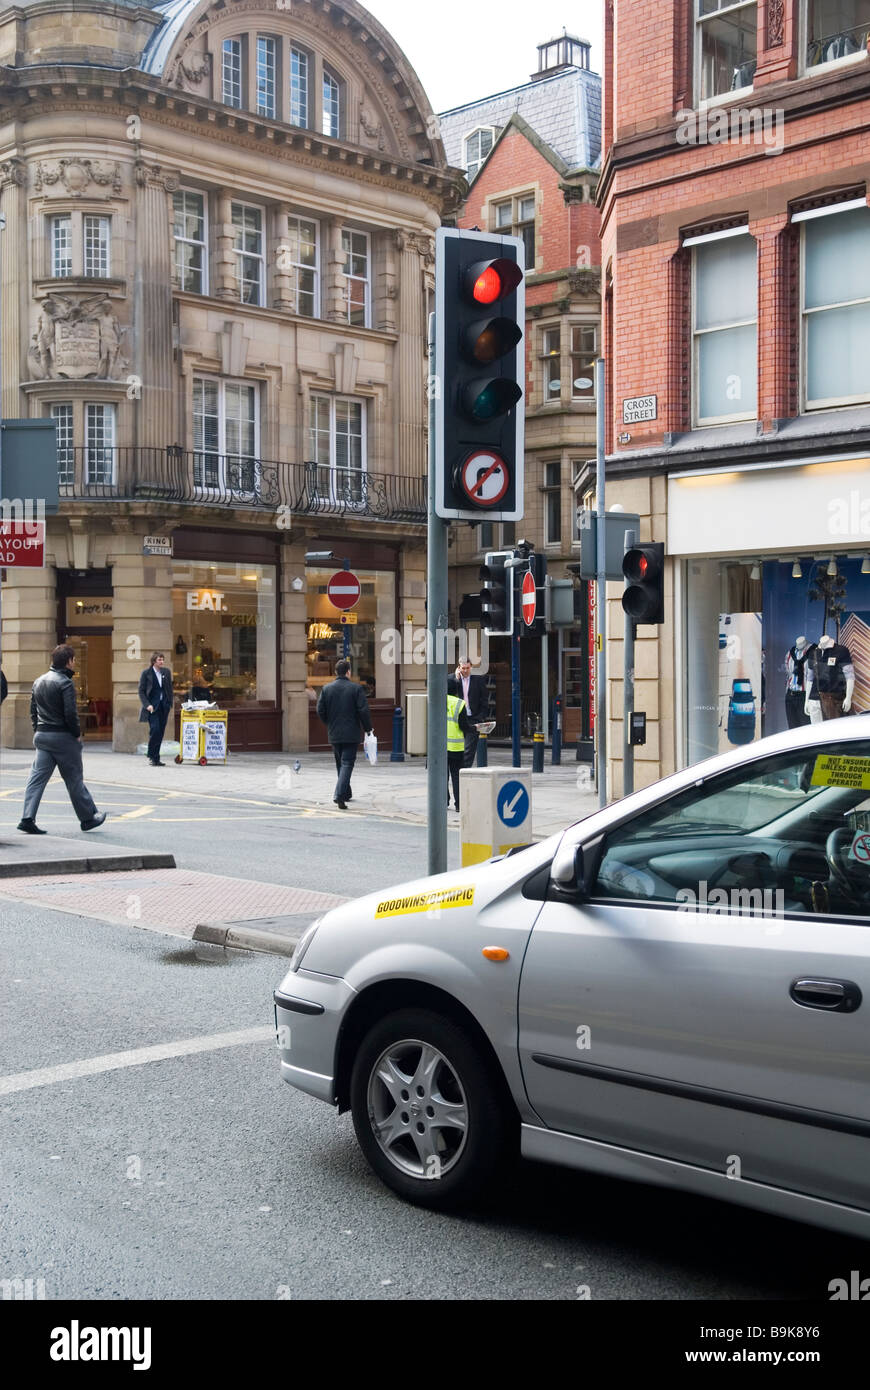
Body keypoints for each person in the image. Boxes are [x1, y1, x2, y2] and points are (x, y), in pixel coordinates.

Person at [18, 644, 106, 834]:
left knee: (36, 779)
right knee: (74, 779)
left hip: (42, 736)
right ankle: (88, 818)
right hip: (62, 737)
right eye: (74, 660)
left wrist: (38, 730)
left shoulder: (39, 681)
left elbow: (33, 712)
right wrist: (76, 735)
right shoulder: (65, 683)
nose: (75, 663)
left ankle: (27, 817)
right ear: (68, 662)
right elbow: (70, 714)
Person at [316, 659, 373, 810]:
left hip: (334, 732)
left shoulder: (327, 689)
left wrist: (329, 722)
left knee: (340, 763)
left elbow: (320, 710)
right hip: (351, 733)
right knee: (347, 763)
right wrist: (368, 729)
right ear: (348, 672)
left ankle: (346, 793)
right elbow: (363, 710)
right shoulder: (356, 689)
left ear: (336, 672)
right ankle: (339, 795)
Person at [448, 659, 489, 768]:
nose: (465, 671)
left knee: (469, 751)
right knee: (459, 749)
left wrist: (480, 718)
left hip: (473, 718)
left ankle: (464, 772)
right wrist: (457, 679)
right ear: (458, 667)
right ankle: (459, 772)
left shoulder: (479, 679)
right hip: (458, 719)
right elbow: (450, 696)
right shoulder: (451, 679)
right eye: (463, 668)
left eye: (467, 668)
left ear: (471, 667)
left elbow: (484, 700)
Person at [139, 652, 174, 766]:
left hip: (164, 706)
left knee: (160, 732)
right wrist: (147, 705)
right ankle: (152, 754)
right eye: (159, 660)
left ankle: (155, 758)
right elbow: (141, 691)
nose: (162, 662)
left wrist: (169, 702)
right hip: (152, 708)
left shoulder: (166, 672)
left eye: (162, 660)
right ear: (154, 661)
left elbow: (169, 688)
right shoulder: (146, 673)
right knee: (155, 730)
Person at [447, 688, 474, 812]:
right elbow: (463, 725)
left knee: (442, 776)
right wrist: (473, 728)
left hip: (439, 747)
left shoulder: (436, 701)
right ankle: (459, 804)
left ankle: (443, 801)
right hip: (456, 747)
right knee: (456, 776)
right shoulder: (459, 703)